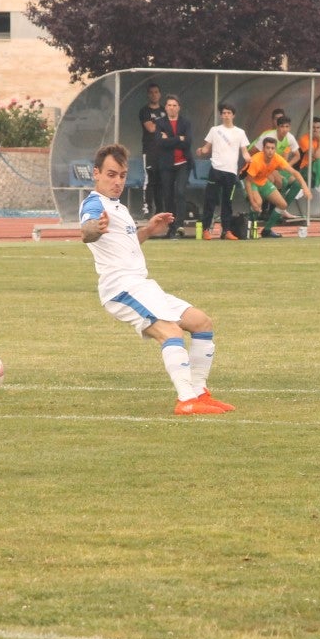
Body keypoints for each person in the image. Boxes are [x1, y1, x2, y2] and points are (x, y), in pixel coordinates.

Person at [78, 143, 233, 416]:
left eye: (122, 175)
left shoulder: (118, 208)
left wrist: (148, 230)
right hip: (121, 288)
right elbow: (87, 231)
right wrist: (95, 228)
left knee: (202, 323)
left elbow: (126, 245)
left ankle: (199, 393)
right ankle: (186, 400)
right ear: (96, 173)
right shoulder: (94, 203)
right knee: (171, 333)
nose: (117, 181)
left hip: (141, 285)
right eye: (111, 175)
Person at [195, 101, 250, 241]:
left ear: (233, 115)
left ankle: (226, 231)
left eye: (228, 113)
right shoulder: (215, 130)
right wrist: (201, 151)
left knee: (227, 202)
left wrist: (247, 157)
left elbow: (244, 151)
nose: (226, 115)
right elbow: (206, 148)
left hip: (231, 172)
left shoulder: (240, 132)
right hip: (216, 169)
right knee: (210, 200)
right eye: (224, 113)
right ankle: (206, 229)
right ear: (221, 115)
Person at [243, 136, 311, 238]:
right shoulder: (256, 160)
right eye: (268, 148)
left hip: (263, 182)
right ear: (263, 149)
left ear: (275, 149)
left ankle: (267, 230)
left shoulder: (277, 158)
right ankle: (250, 229)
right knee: (258, 202)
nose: (270, 151)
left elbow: (295, 173)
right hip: (252, 183)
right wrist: (252, 202)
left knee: (283, 205)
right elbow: (248, 181)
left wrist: (305, 188)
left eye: (272, 148)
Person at [153, 94, 194, 238]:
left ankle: (180, 225)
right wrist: (178, 139)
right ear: (165, 107)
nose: (172, 108)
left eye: (174, 105)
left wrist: (169, 139)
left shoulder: (186, 123)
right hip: (167, 164)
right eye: (169, 105)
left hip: (183, 163)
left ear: (179, 107)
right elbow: (160, 142)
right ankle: (171, 227)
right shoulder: (160, 123)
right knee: (168, 195)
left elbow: (188, 142)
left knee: (180, 192)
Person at [137, 82, 165, 217]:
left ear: (160, 94)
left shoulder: (165, 110)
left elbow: (171, 128)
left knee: (161, 180)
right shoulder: (145, 111)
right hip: (149, 150)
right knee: (149, 179)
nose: (154, 95)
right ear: (148, 95)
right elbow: (151, 128)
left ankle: (160, 210)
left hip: (163, 151)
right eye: (151, 92)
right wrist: (163, 125)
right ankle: (147, 208)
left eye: (156, 92)